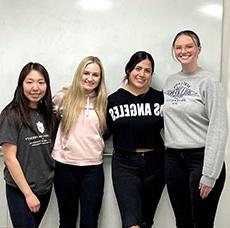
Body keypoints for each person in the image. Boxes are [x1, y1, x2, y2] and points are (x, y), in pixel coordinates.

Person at [162, 30, 228, 228]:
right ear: (174, 51)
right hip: (173, 160)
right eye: (179, 47)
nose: (184, 51)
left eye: (189, 46)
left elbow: (219, 127)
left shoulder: (209, 81)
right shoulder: (170, 81)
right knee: (182, 222)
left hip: (200, 160)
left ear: (198, 49)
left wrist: (209, 174)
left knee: (202, 223)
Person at [106, 51, 165, 228]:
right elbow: (100, 132)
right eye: (138, 68)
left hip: (156, 164)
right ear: (128, 70)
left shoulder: (160, 98)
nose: (142, 74)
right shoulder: (113, 101)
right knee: (131, 222)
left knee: (147, 221)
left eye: (147, 70)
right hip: (125, 165)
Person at [52, 56, 107, 228]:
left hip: (93, 169)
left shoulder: (104, 102)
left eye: (95, 75)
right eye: (86, 73)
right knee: (67, 221)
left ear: (100, 78)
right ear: (79, 74)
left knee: (89, 223)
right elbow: (48, 120)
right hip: (65, 168)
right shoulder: (63, 98)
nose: (90, 78)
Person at [0, 62, 55, 228]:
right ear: (21, 84)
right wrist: (28, 194)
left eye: (41, 82)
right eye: (29, 82)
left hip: (44, 187)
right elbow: (10, 159)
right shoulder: (11, 114)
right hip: (21, 190)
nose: (35, 87)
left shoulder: (48, 114)